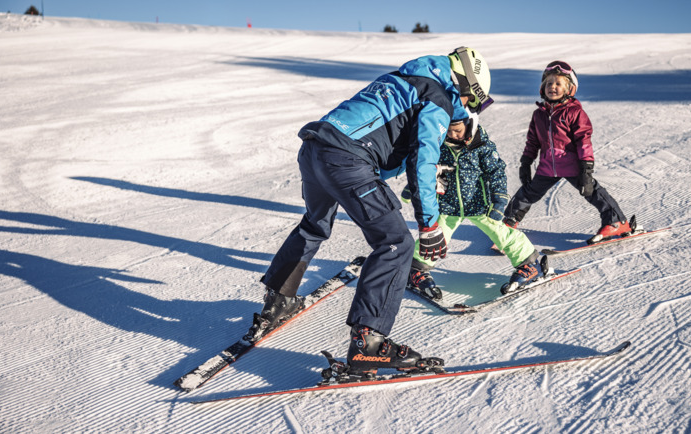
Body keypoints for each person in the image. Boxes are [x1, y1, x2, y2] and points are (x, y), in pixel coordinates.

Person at [247, 47, 494, 377]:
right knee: (396, 243)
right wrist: (431, 226)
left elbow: (384, 144)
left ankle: (278, 301)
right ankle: (369, 345)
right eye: (472, 102)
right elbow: (420, 158)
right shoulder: (439, 97)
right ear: (467, 86)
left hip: (315, 149)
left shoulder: (406, 79)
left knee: (314, 224)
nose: (464, 110)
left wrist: (421, 178)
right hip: (346, 159)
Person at [402, 109, 543, 299]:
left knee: (501, 234)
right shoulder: (439, 145)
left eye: (457, 131)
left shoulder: (481, 146)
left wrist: (499, 199)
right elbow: (425, 168)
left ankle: (528, 263)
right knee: (435, 236)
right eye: (449, 131)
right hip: (448, 204)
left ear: (470, 126)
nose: (452, 135)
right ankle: (416, 268)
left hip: (480, 205)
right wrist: (413, 187)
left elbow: (496, 172)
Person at [504, 60, 634, 244]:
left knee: (592, 192)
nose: (553, 87)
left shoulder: (575, 113)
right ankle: (508, 223)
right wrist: (526, 162)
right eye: (549, 83)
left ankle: (616, 221)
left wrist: (586, 169)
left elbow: (584, 141)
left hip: (572, 166)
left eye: (558, 84)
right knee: (527, 194)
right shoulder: (539, 114)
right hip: (547, 167)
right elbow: (533, 141)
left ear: (569, 89)